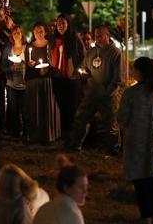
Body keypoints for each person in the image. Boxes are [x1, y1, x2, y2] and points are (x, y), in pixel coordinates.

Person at [117, 56, 153, 224]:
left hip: (137, 146)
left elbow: (121, 119)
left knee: (142, 187)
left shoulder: (131, 94)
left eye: (134, 68)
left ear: (140, 72)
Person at [68, 26, 122, 155]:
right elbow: (84, 67)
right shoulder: (91, 52)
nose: (97, 38)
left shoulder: (115, 53)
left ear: (107, 36)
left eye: (100, 36)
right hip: (91, 93)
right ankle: (75, 146)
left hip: (108, 96)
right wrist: (83, 73)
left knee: (111, 125)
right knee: (81, 118)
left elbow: (117, 78)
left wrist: (108, 92)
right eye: (96, 35)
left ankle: (113, 150)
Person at [25, 21, 61, 144]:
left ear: (45, 32)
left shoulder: (50, 45)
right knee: (35, 108)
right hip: (34, 81)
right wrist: (30, 65)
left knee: (47, 109)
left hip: (47, 81)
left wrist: (47, 68)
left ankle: (48, 135)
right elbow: (27, 64)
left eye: (41, 31)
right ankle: (34, 135)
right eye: (36, 31)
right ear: (33, 33)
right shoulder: (30, 47)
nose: (39, 33)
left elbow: (55, 62)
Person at [50, 14, 85, 138]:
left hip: (71, 79)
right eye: (58, 23)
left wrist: (76, 71)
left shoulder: (75, 39)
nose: (60, 26)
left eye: (63, 23)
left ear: (68, 24)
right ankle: (64, 134)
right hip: (58, 78)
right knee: (61, 106)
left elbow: (82, 57)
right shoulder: (54, 39)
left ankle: (72, 135)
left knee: (72, 107)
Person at [2, 25, 27, 138]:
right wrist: (9, 69)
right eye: (14, 33)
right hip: (12, 83)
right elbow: (3, 67)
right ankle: (15, 132)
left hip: (25, 84)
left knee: (25, 109)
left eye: (18, 32)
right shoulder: (8, 49)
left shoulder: (27, 48)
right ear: (11, 35)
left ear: (22, 34)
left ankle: (26, 132)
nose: (16, 34)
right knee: (13, 109)